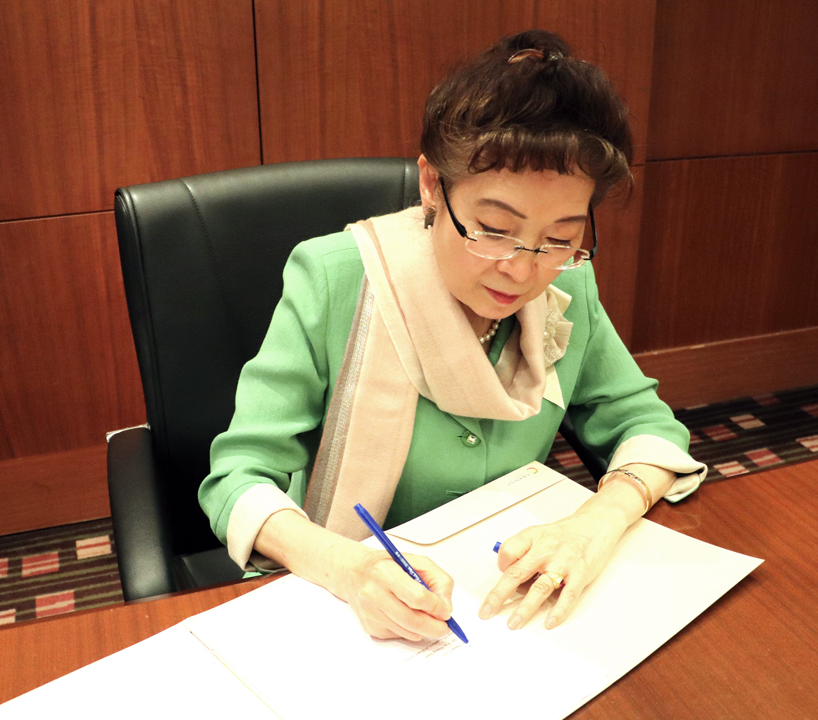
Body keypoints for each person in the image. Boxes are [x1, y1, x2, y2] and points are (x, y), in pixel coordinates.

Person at [198, 30, 706, 642]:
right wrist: (350, 570)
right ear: (433, 185)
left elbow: (647, 426)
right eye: (494, 229)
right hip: (351, 610)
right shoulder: (336, 280)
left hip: (507, 598)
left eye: (559, 238)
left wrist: (597, 522)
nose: (522, 270)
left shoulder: (567, 282)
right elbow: (237, 478)